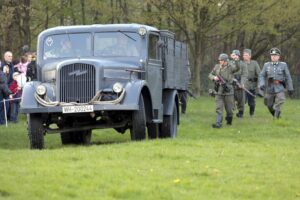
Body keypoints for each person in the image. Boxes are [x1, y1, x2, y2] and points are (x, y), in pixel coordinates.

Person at [259, 47, 294, 119]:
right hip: (270, 88)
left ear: (278, 56)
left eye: (275, 55)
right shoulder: (266, 65)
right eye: (272, 55)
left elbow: (288, 77)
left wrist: (290, 88)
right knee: (269, 105)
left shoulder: (283, 65)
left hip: (280, 87)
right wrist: (261, 84)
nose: (273, 57)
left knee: (280, 101)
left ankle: (276, 118)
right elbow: (262, 75)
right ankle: (277, 116)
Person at [208, 53, 240, 128]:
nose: (220, 61)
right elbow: (210, 74)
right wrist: (214, 77)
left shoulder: (230, 67)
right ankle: (218, 123)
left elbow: (237, 68)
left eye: (221, 60)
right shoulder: (216, 67)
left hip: (228, 91)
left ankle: (229, 121)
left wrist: (236, 60)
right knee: (219, 108)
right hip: (218, 90)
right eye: (219, 60)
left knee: (229, 110)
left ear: (225, 61)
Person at [243, 49, 261, 117]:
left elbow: (259, 74)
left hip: (252, 86)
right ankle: (240, 114)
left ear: (250, 56)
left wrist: (259, 84)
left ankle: (251, 114)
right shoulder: (241, 64)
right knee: (242, 101)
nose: (245, 56)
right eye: (244, 55)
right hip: (243, 86)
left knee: (252, 103)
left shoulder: (254, 63)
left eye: (246, 55)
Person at [231, 50, 248, 118]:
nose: (233, 56)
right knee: (230, 97)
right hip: (231, 82)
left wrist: (242, 83)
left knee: (240, 99)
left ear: (238, 56)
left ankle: (240, 113)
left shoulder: (243, 64)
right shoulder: (229, 63)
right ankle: (231, 110)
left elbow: (245, 74)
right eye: (233, 55)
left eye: (234, 55)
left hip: (239, 82)